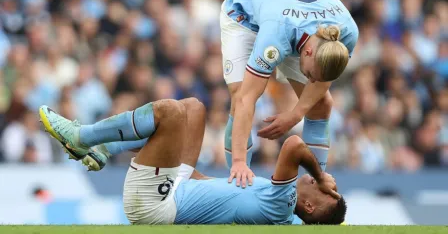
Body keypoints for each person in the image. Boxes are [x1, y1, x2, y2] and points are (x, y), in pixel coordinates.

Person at [38, 98, 345, 225]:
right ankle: (102, 149)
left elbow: (293, 145)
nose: (326, 184)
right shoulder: (285, 214)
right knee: (194, 108)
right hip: (179, 186)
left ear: (309, 207)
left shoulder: (282, 202)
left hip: (156, 205)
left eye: (327, 192)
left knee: (169, 113)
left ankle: (84, 138)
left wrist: (319, 176)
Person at [221, 0, 359, 187]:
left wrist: (295, 115)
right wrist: (238, 161)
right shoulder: (276, 36)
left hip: (288, 18)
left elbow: (321, 83)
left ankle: (316, 185)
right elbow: (245, 100)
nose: (312, 80)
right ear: (309, 52)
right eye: (312, 75)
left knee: (321, 104)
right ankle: (237, 180)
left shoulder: (347, 33)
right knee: (240, 92)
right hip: (244, 15)